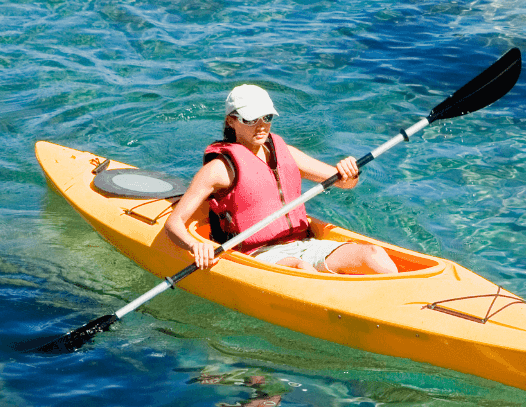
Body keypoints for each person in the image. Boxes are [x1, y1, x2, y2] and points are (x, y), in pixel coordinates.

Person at [164, 84, 397, 274]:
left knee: (373, 254)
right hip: (258, 254)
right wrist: (195, 245)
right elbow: (174, 224)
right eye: (250, 119)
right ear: (231, 121)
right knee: (302, 268)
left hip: (303, 244)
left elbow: (345, 183)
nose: (261, 126)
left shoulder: (286, 153)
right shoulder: (219, 169)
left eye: (266, 117)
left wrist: (350, 172)